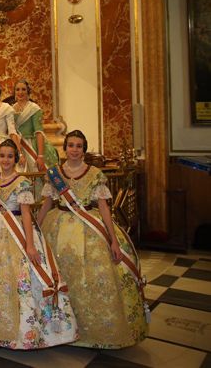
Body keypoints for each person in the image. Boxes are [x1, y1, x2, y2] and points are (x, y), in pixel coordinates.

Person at [37, 131, 149, 348]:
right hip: (57, 227)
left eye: (79, 146)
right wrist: (36, 229)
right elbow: (46, 204)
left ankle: (91, 332)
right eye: (71, 145)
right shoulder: (54, 174)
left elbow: (104, 208)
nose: (74, 149)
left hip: (89, 229)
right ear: (65, 148)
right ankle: (61, 328)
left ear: (84, 149)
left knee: (90, 278)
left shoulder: (95, 174)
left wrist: (113, 240)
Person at [0, 140, 77, 349]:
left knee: (19, 279)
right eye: (2, 155)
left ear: (17, 158)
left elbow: (27, 214)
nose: (5, 160)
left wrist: (30, 245)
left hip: (16, 232)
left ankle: (24, 331)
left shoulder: (22, 183)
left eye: (10, 156)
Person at [13, 79, 59, 172]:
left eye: (23, 89)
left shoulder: (34, 108)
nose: (20, 92)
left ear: (28, 91)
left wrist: (40, 156)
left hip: (32, 146)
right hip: (18, 146)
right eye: (17, 89)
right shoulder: (11, 109)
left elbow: (39, 132)